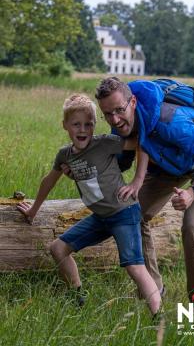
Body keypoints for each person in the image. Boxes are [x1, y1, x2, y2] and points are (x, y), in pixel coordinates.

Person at [17, 93, 161, 315]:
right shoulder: (64, 156)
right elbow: (48, 181)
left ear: (95, 125)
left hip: (124, 212)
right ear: (65, 125)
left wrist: (137, 181)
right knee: (58, 248)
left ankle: (158, 318)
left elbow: (142, 145)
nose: (82, 130)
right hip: (100, 218)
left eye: (88, 124)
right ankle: (78, 298)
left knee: (134, 265)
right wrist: (33, 210)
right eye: (76, 124)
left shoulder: (105, 143)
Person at [95, 77, 194, 301]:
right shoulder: (119, 122)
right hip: (169, 165)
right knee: (132, 214)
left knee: (192, 224)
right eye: (108, 114)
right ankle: (153, 292)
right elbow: (121, 162)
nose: (115, 120)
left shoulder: (169, 121)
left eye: (119, 110)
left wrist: (192, 191)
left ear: (133, 102)